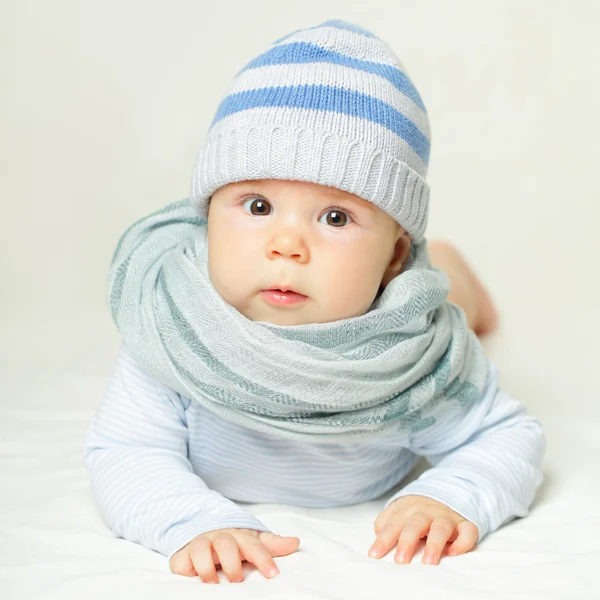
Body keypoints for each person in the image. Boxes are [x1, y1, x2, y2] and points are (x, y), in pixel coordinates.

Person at [84, 19, 544, 585]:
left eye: (335, 217)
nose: (286, 245)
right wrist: (192, 521)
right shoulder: (173, 329)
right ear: (207, 217)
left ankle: (454, 276)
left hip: (397, 307)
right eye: (256, 206)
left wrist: (452, 496)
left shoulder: (414, 357)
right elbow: (126, 450)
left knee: (450, 301)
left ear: (395, 254)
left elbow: (505, 436)